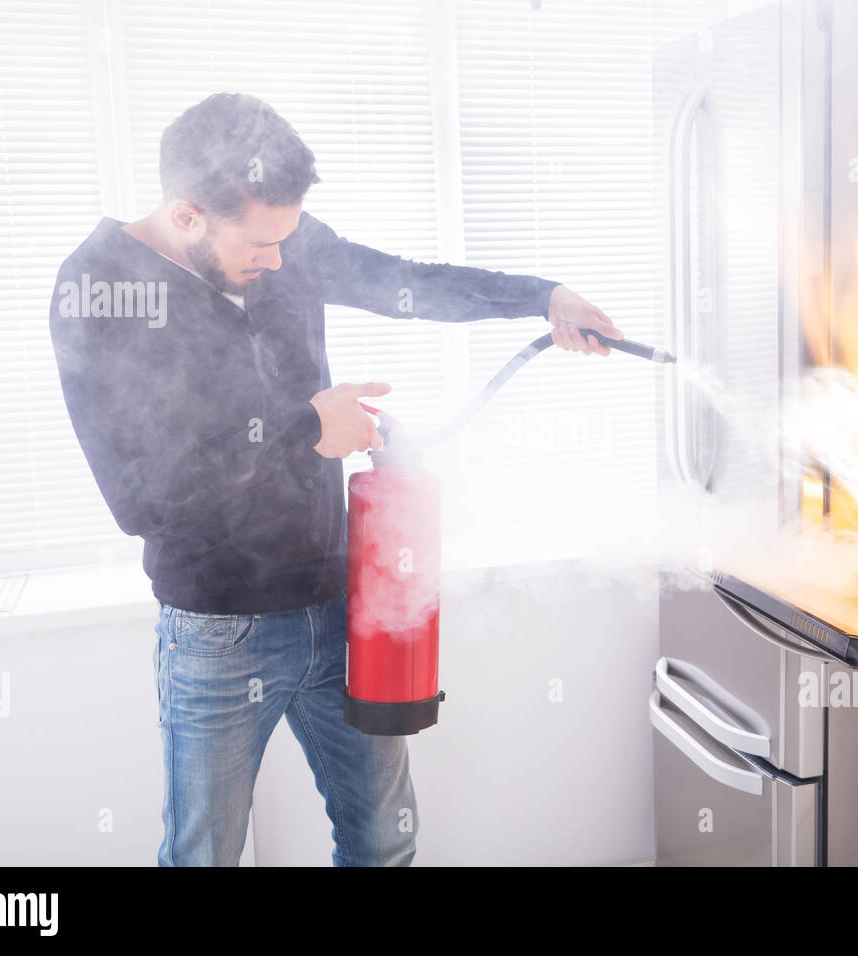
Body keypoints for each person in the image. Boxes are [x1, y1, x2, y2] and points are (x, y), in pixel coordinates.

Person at [48, 92, 622, 866]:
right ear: (187, 214)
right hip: (220, 633)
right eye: (261, 244)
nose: (281, 261)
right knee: (203, 855)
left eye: (287, 239)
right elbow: (144, 499)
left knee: (384, 840)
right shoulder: (99, 290)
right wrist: (304, 429)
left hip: (339, 608)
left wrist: (542, 298)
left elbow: (402, 282)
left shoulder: (279, 237)